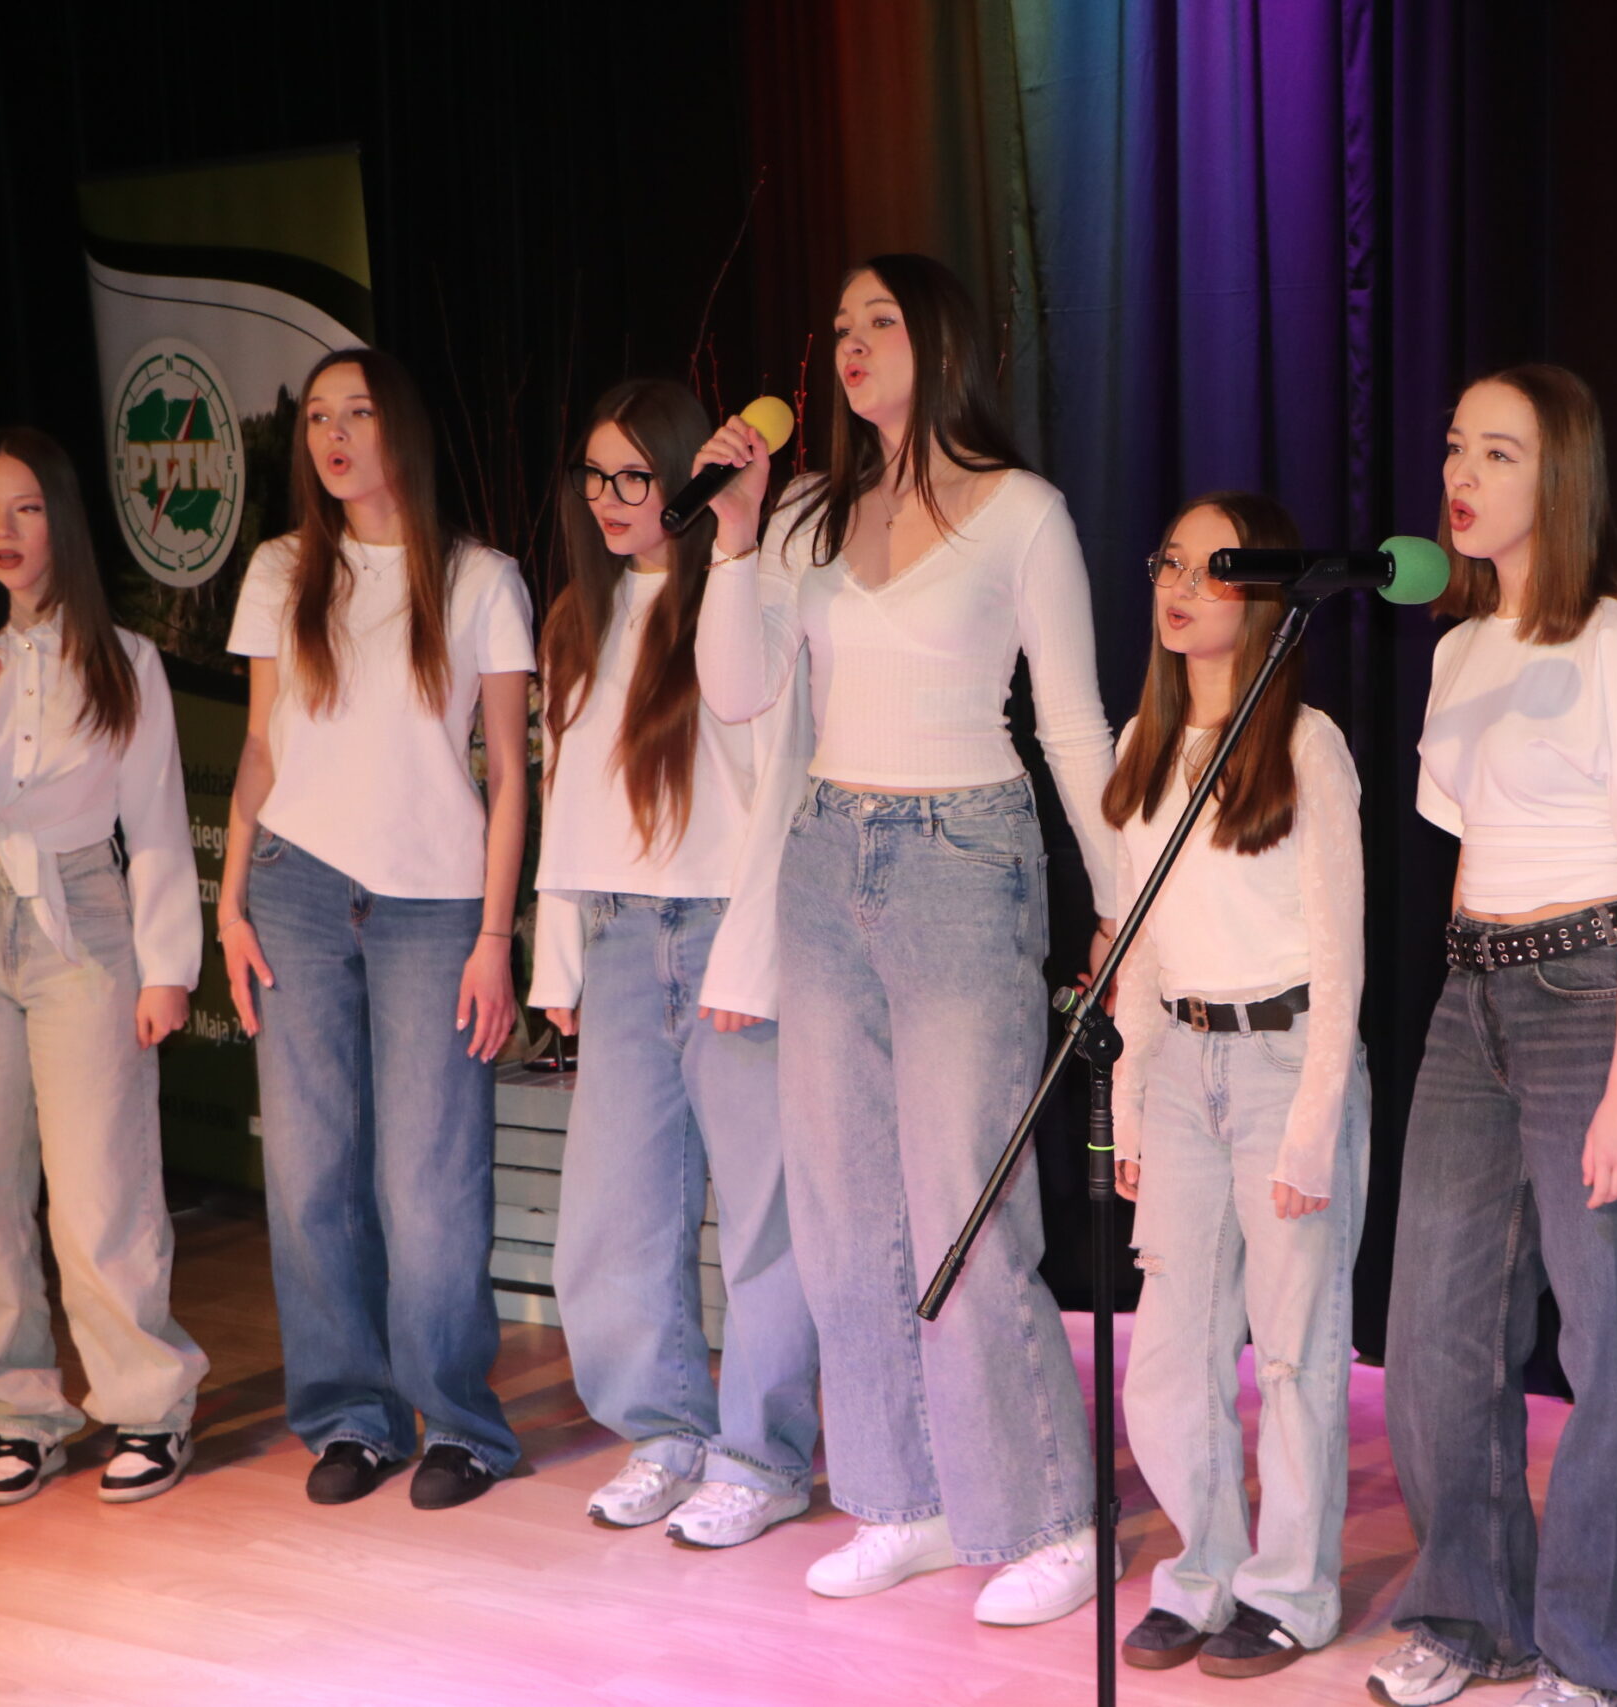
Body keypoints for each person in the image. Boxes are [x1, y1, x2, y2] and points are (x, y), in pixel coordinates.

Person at [692, 254, 1119, 1624]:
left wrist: (1121, 901)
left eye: (880, 320)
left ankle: (1047, 1513)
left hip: (961, 860)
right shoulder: (807, 512)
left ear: (941, 340)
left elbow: (1071, 727)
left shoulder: (1021, 514)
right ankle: (902, 1497)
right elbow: (738, 690)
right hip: (828, 857)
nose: (853, 342)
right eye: (839, 325)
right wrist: (735, 535)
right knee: (842, 1212)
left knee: (965, 1207)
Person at [1373, 364, 1617, 1707]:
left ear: (1558, 476)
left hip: (1594, 988)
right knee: (1433, 1329)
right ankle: (1472, 1617)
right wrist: (1465, 997)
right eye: (1456, 446)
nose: (1461, 474)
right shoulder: (1461, 647)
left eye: (1498, 453)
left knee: (1611, 1346)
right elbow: (1468, 851)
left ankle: (1601, 1653)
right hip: (1475, 997)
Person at [218, 346, 534, 1511]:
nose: (335, 436)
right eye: (317, 418)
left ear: (401, 425)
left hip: (433, 905)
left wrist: (495, 936)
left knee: (430, 1179)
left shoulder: (480, 579)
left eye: (357, 413)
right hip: (294, 887)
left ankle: (461, 1427)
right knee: (310, 1173)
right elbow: (261, 746)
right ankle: (352, 1416)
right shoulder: (280, 569)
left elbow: (510, 773)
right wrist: (229, 900)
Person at [0, 427, 208, 1505]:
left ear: (60, 519)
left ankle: (148, 1406)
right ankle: (19, 1411)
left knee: (101, 1179)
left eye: (24, 508)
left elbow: (156, 824)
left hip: (84, 915)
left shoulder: (126, 659)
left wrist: (167, 969)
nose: (2, 531)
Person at [529, 378, 821, 1547]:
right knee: (615, 1219)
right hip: (617, 937)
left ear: (685, 479)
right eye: (594, 477)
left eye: (634, 477)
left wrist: (748, 961)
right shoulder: (577, 614)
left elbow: (776, 788)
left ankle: (761, 1457)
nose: (609, 498)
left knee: (762, 1220)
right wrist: (557, 961)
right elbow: (565, 796)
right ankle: (666, 1434)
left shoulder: (749, 597)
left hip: (722, 933)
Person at [1104, 493, 1369, 1679]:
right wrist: (1129, 1101)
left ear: (1262, 595)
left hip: (1282, 1059)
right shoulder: (1142, 742)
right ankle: (1202, 1569)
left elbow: (1340, 957)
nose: (1179, 587)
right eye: (1167, 563)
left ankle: (1290, 1589)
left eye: (1211, 569)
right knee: (1171, 1348)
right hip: (1177, 1064)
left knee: (1295, 1347)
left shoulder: (1305, 747)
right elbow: (1138, 948)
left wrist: (1312, 1125)